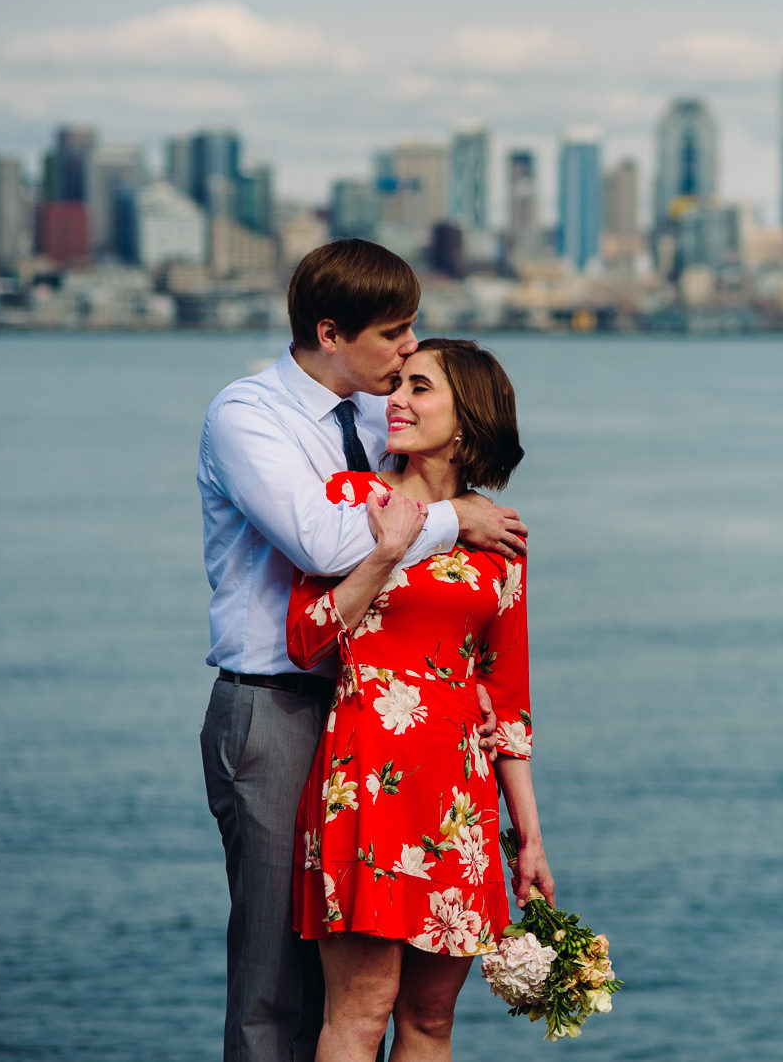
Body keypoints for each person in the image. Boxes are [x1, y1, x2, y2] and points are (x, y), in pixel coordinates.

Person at [198, 240, 526, 1062]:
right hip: (276, 706)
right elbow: (324, 541)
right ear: (332, 331)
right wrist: (457, 523)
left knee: (388, 1004)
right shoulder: (247, 415)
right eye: (396, 335)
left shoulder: (383, 420)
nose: (409, 350)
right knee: (277, 985)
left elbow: (499, 669)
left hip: (408, 744)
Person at [285, 339, 554, 1062]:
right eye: (396, 382)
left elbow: (509, 700)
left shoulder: (501, 539)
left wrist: (527, 837)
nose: (395, 398)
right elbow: (306, 639)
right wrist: (383, 552)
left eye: (419, 387)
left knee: (432, 1022)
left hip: (460, 804)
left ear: (465, 422)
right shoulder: (353, 499)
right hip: (367, 783)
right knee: (361, 1013)